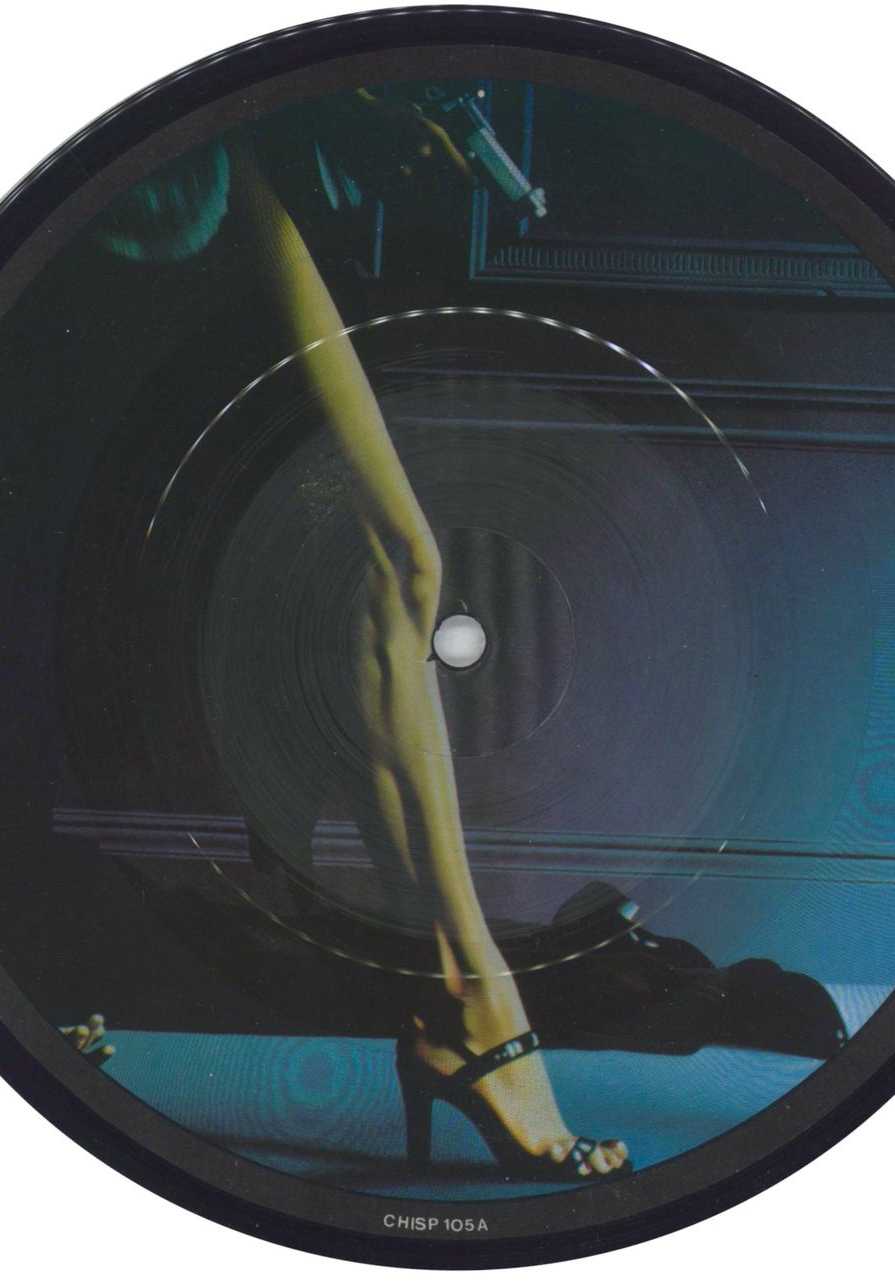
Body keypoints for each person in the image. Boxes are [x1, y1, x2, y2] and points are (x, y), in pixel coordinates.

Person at [223, 100, 630, 1181]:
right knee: (393, 567)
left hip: (250, 185)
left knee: (385, 577)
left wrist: (359, 115)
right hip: (197, 196)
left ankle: (463, 991)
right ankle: (471, 993)